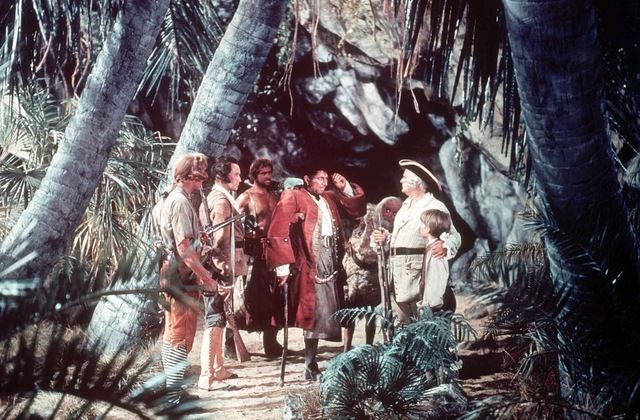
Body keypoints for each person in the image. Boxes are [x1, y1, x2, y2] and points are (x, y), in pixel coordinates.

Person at [265, 166, 366, 380]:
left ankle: (312, 364)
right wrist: (282, 265)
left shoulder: (328, 197)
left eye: (326, 179)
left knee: (325, 310)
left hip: (331, 258)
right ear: (306, 179)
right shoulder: (294, 196)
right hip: (309, 261)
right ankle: (309, 365)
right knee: (314, 311)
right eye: (319, 178)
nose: (324, 182)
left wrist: (344, 187)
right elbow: (278, 228)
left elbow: (356, 210)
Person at [154, 152, 217, 404]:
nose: (203, 181)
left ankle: (174, 391)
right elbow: (184, 249)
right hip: (181, 275)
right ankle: (172, 397)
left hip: (173, 273)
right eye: (200, 176)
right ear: (190, 176)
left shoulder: (170, 198)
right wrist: (206, 276)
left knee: (175, 334)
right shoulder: (179, 201)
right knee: (179, 337)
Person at [372, 159, 461, 323]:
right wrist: (386, 238)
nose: (401, 180)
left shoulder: (433, 206)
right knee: (406, 326)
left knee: (425, 324)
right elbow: (405, 240)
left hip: (420, 278)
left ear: (417, 183)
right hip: (399, 277)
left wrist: (445, 245)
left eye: (405, 178)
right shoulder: (405, 206)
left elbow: (454, 236)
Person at [197, 157, 245, 390]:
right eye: (236, 174)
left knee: (220, 317)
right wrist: (222, 270)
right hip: (219, 266)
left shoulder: (221, 197)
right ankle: (206, 375)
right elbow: (220, 240)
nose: (240, 179)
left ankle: (218, 368)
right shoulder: (221, 201)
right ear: (223, 176)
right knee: (215, 319)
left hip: (221, 264)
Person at [236, 158, 282, 357]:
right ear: (254, 175)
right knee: (248, 297)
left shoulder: (274, 195)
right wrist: (247, 232)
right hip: (253, 252)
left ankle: (271, 343)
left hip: (273, 250)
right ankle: (231, 340)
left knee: (275, 296)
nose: (268, 176)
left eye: (270, 172)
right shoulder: (246, 197)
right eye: (264, 173)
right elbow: (232, 222)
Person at [342, 196, 402, 351]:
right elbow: (357, 244)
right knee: (351, 311)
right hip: (355, 272)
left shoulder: (394, 228)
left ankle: (368, 347)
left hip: (375, 273)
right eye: (388, 210)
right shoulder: (365, 220)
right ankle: (346, 349)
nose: (390, 215)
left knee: (372, 311)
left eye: (394, 212)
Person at [417, 208, 456, 313]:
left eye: (421, 223)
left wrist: (430, 305)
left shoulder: (436, 251)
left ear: (427, 229)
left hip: (440, 304)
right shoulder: (433, 247)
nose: (419, 226)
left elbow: (436, 280)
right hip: (439, 301)